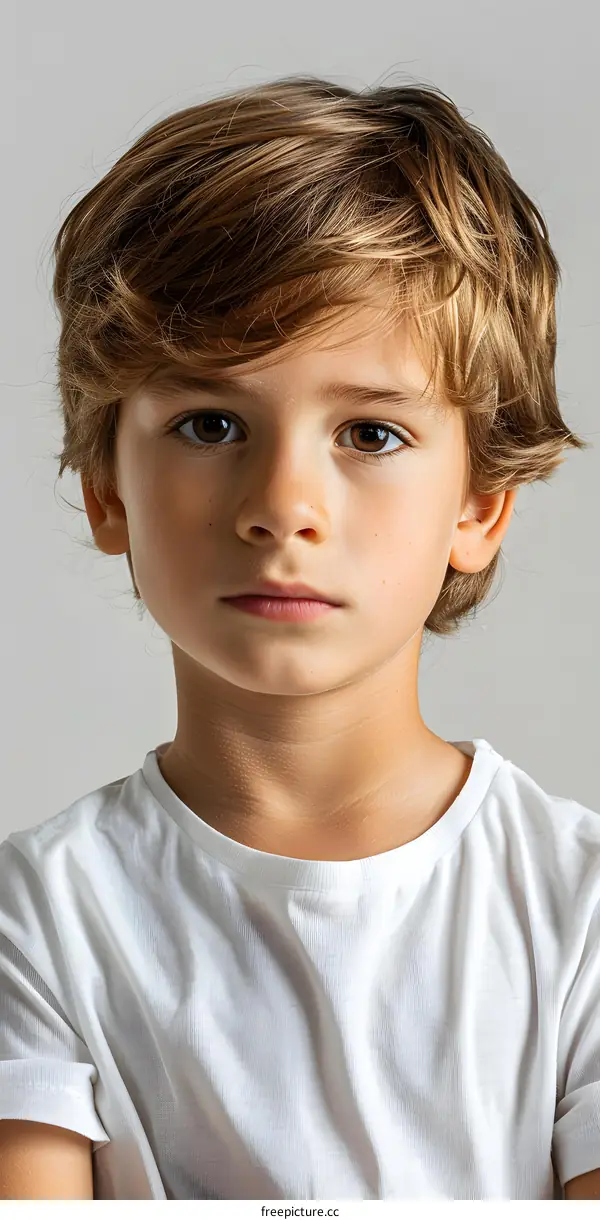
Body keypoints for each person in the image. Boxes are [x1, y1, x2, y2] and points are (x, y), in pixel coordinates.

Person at [0, 74, 598, 1202]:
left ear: (479, 505)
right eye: (210, 423)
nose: (282, 506)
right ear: (107, 487)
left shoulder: (580, 913)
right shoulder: (34, 921)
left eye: (370, 433)